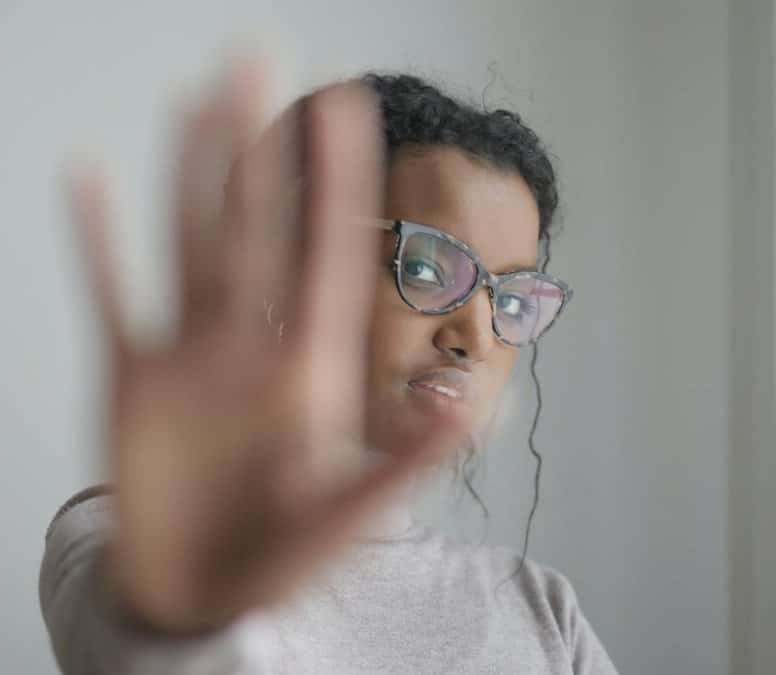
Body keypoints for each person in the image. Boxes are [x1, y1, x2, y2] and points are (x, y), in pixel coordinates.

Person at [39, 53, 618, 674]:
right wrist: (180, 633)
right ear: (291, 269)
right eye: (424, 268)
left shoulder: (544, 609)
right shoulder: (147, 539)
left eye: (510, 299)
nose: (475, 336)